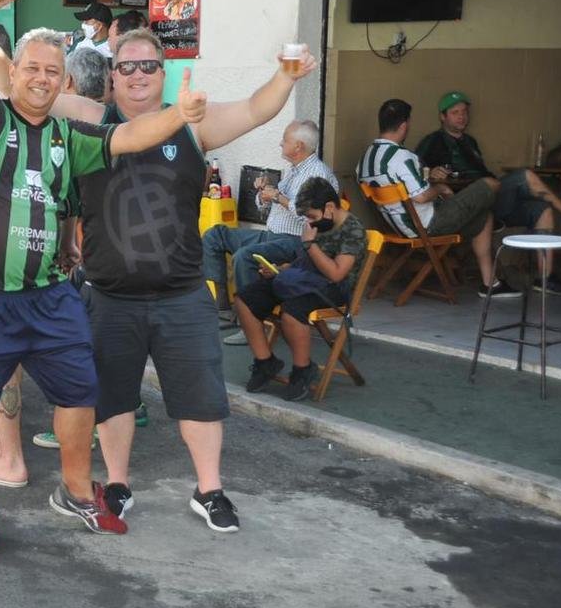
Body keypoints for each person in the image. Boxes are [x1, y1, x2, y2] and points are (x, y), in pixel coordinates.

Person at [0, 0, 206, 561]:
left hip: (49, 294)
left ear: (64, 83)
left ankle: (79, 490)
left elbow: (129, 135)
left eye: (52, 72)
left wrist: (179, 118)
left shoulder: (68, 135)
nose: (41, 78)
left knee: (82, 393)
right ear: (13, 73)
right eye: (32, 68)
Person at [27, 28, 314, 531]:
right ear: (112, 75)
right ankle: (118, 485)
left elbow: (255, 109)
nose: (137, 75)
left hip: (181, 293)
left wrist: (286, 78)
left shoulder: (191, 122)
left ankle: (210, 490)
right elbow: (33, 92)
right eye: (127, 66)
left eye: (148, 66)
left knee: (200, 399)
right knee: (112, 399)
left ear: (164, 73)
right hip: (109, 295)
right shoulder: (91, 119)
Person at [357, 99, 518, 298]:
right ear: (404, 125)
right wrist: (441, 188)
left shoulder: (365, 159)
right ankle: (504, 218)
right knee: (490, 184)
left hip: (396, 227)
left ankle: (490, 284)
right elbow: (421, 196)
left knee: (484, 217)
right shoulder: (401, 157)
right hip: (428, 226)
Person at [236, 177, 368, 401]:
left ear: (329, 207)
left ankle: (302, 369)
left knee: (293, 310)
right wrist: (280, 269)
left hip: (333, 288)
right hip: (305, 278)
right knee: (245, 299)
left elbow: (336, 273)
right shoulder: (321, 222)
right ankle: (265, 362)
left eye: (312, 216)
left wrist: (309, 244)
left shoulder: (353, 230)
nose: (309, 222)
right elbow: (305, 261)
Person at [203, 120, 338, 336]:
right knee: (214, 235)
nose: (280, 143)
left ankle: (252, 325)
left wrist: (277, 196)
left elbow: (312, 216)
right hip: (272, 236)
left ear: (299, 146)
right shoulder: (294, 170)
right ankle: (223, 310)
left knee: (244, 256)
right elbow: (270, 206)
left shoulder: (318, 174)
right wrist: (265, 192)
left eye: (285, 140)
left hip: (296, 242)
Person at [416, 91, 561, 260]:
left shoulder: (470, 142)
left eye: (464, 112)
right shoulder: (434, 140)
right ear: (442, 116)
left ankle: (544, 274)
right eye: (455, 113)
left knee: (542, 210)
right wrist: (430, 171)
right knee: (524, 176)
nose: (462, 116)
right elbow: (415, 170)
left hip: (492, 198)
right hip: (466, 203)